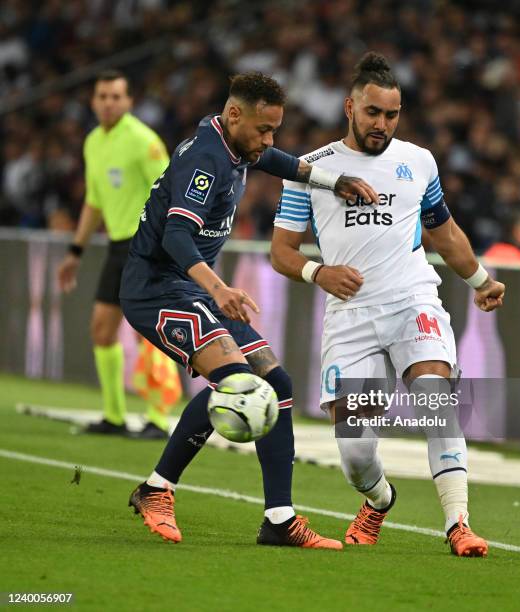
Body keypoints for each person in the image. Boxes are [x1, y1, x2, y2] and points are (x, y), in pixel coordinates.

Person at [119, 72, 378, 548]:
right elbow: (176, 236)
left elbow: (279, 161)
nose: (269, 140)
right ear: (234, 114)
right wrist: (219, 290)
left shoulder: (233, 144)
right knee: (237, 383)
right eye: (264, 129)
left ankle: (279, 520)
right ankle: (156, 490)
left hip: (190, 290)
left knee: (275, 383)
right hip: (157, 289)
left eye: (275, 129)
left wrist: (333, 180)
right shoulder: (206, 158)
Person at [270, 52, 506, 557]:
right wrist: (319, 272)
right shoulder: (311, 169)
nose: (382, 124)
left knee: (436, 401)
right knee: (355, 452)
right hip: (351, 316)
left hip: (412, 300)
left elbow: (444, 233)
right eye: (373, 112)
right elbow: (281, 252)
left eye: (392, 115)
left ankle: (458, 524)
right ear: (349, 107)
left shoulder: (419, 162)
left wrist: (481, 280)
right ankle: (379, 498)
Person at [57, 70, 181, 439]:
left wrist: (167, 245)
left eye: (116, 96)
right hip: (117, 245)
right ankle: (114, 416)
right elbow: (94, 202)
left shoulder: (144, 141)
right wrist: (75, 250)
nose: (109, 103)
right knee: (102, 329)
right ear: (94, 102)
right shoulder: (93, 141)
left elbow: (170, 192)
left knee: (150, 332)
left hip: (147, 244)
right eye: (102, 96)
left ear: (129, 102)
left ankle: (158, 419)